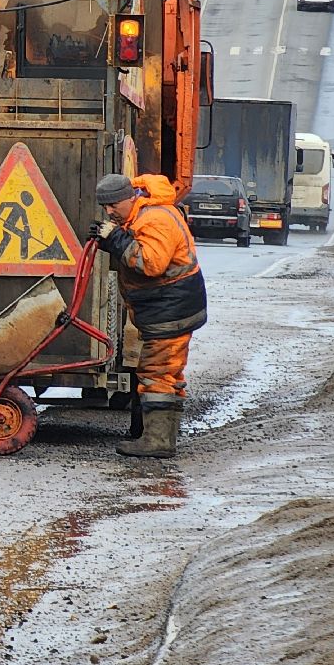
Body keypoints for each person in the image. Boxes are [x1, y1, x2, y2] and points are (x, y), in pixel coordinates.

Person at [87, 172, 207, 458]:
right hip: (169, 310)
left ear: (131, 198)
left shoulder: (155, 219)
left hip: (170, 312)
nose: (109, 211)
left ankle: (158, 442)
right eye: (105, 207)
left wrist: (115, 238)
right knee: (168, 374)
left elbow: (150, 263)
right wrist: (111, 239)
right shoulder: (143, 215)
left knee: (157, 374)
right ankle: (162, 436)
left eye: (113, 205)